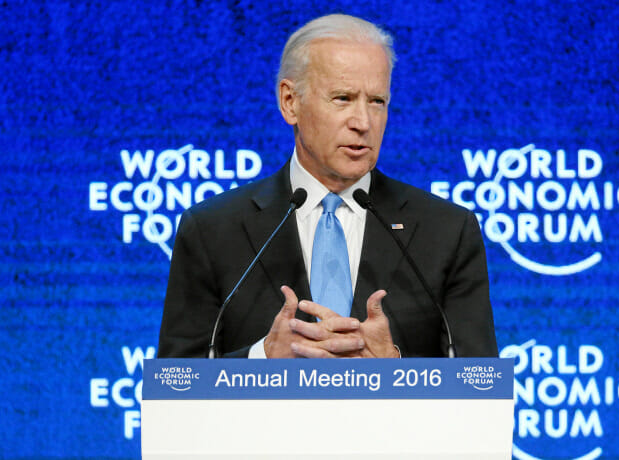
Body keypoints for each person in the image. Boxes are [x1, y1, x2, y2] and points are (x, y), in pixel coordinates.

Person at [157, 14, 498, 359]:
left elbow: (480, 386)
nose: (363, 123)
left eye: (377, 101)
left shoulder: (446, 231)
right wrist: (261, 358)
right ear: (290, 102)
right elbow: (175, 385)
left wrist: (396, 368)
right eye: (342, 98)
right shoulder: (212, 230)